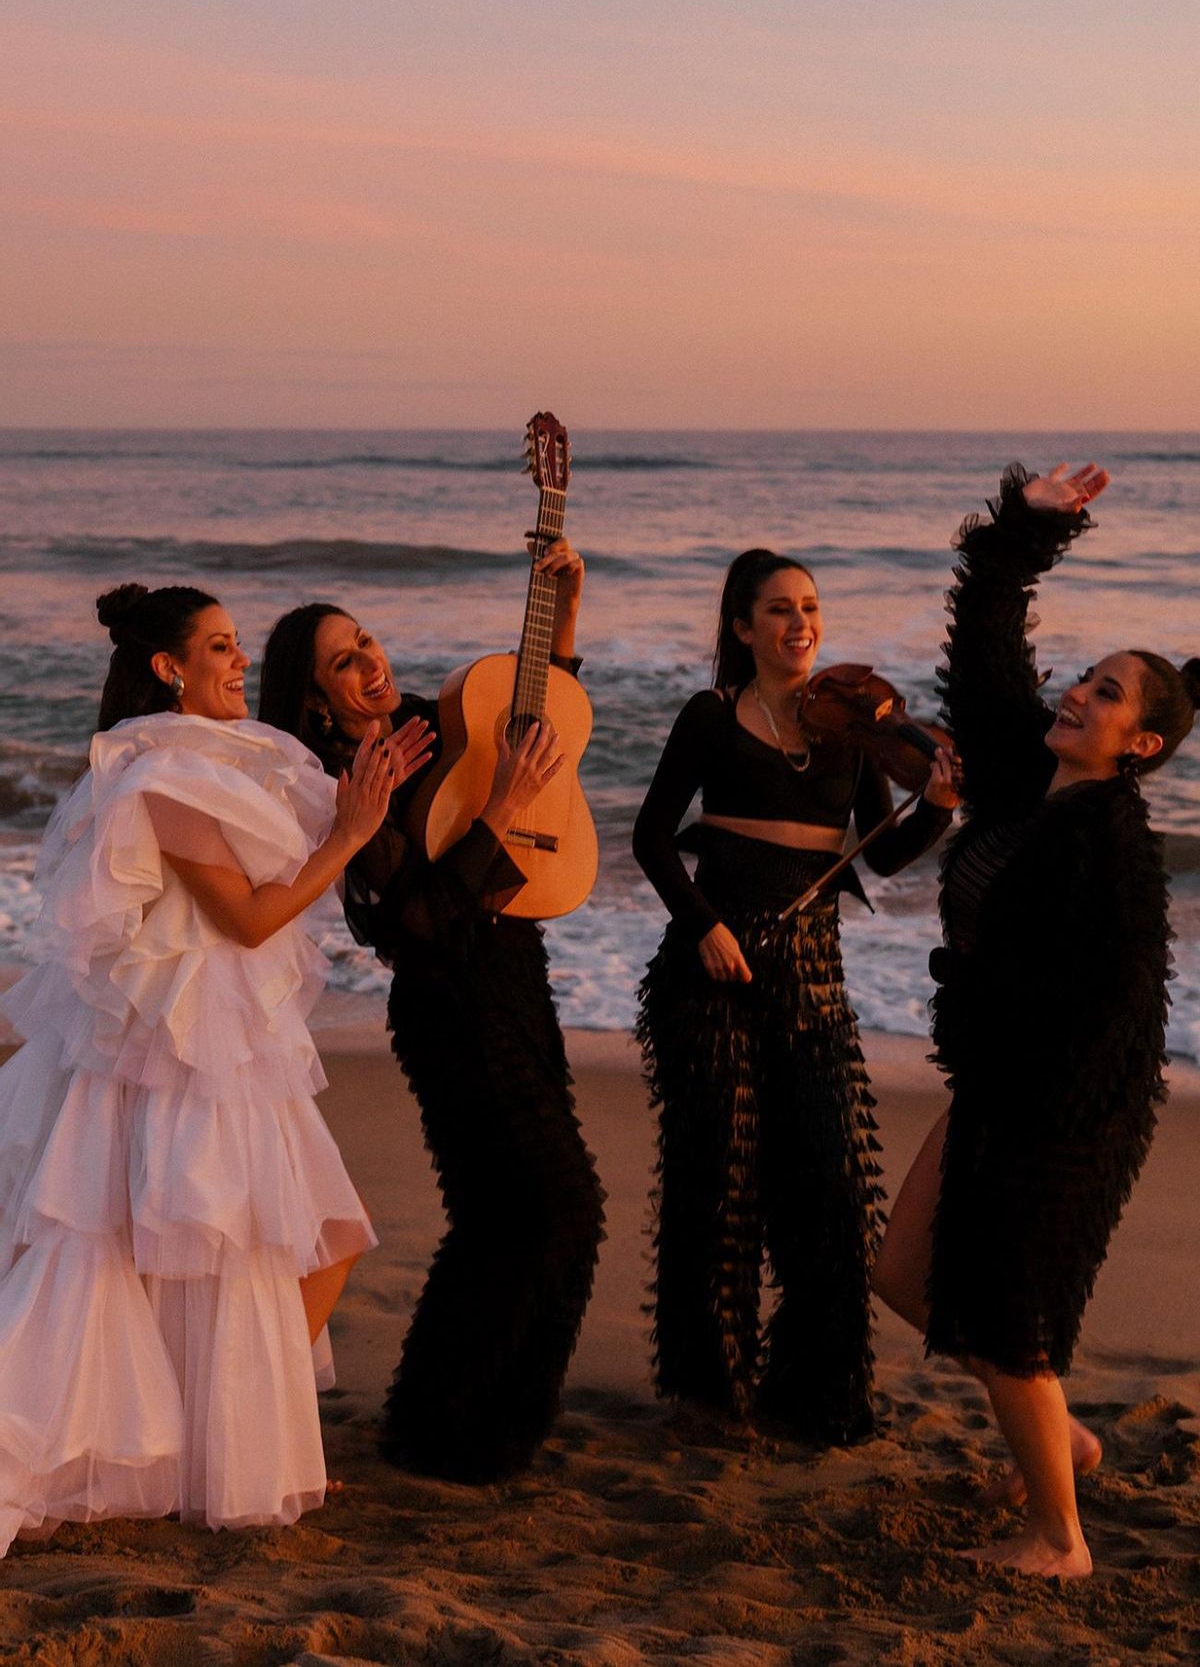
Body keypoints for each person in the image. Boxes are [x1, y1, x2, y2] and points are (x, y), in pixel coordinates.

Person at [0, 581, 426, 1553]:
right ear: (169, 669)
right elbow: (249, 917)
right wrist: (353, 833)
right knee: (203, 1251)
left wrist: (365, 801)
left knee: (277, 1243)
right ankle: (189, 1452)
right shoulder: (159, 773)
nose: (240, 666)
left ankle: (208, 1446)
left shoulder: (217, 758)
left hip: (225, 1033)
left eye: (239, 648)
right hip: (181, 1037)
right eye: (222, 649)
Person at [874, 463, 1200, 1579]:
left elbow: (1112, 1012)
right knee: (910, 1275)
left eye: (1108, 695)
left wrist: (1029, 1111)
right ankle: (1062, 1441)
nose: (1082, 695)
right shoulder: (1024, 780)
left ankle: (1059, 1539)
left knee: (1010, 1320)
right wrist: (1026, 532)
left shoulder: (1113, 849)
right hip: (999, 1084)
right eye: (1090, 678)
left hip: (1062, 1111)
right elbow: (986, 647)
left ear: (1141, 748)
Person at [257, 537, 605, 1484]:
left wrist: (560, 601)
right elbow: (418, 924)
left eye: (367, 642)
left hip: (516, 976)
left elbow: (541, 715)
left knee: (508, 1215)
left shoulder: (423, 721)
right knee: (553, 1207)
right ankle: (451, 1424)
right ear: (312, 699)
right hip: (449, 1006)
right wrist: (502, 809)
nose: (372, 663)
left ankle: (469, 1427)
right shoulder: (344, 781)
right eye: (343, 661)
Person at [632, 549, 957, 1443]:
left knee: (832, 1184)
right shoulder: (711, 717)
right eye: (777, 609)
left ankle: (816, 1393)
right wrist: (703, 924)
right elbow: (652, 836)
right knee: (720, 1184)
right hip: (711, 968)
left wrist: (936, 803)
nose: (799, 623)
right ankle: (711, 1392)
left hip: (812, 971)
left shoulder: (851, 730)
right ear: (743, 629)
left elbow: (881, 856)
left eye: (810, 606)